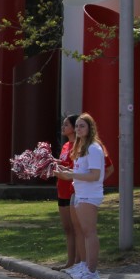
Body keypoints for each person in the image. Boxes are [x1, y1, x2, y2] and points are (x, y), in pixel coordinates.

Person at [55, 112, 107, 279]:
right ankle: (85, 265)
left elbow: (94, 175)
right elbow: (81, 171)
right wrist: (67, 171)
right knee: (83, 232)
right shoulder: (82, 147)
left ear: (90, 128)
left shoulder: (93, 148)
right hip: (80, 193)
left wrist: (71, 175)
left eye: (82, 126)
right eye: (76, 126)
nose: (78, 129)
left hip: (89, 195)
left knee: (89, 232)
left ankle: (91, 270)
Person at [54, 114, 80, 270]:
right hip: (61, 189)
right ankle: (70, 262)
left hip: (72, 189)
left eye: (66, 125)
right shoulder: (65, 146)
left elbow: (76, 169)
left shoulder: (79, 146)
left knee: (76, 228)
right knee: (67, 228)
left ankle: (78, 262)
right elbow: (64, 164)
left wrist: (63, 169)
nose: (63, 127)